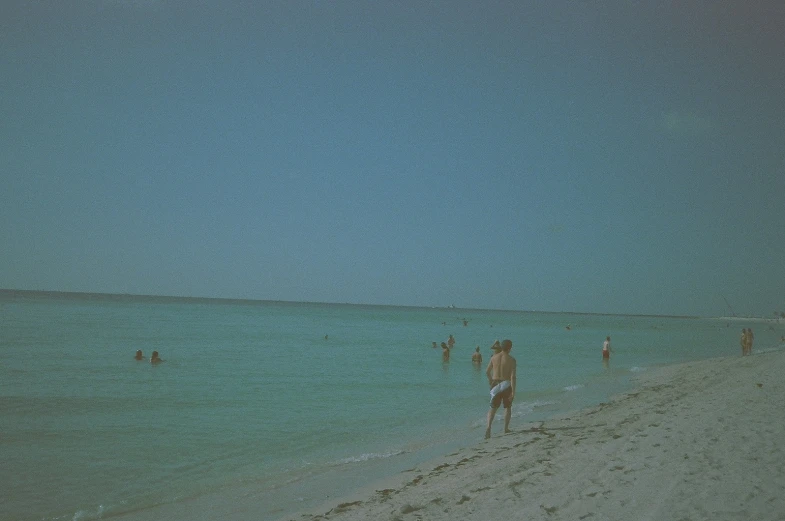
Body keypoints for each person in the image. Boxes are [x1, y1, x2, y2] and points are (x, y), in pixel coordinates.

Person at [485, 339, 516, 439]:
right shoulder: (511, 360)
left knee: (492, 408)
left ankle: (489, 428)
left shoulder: (494, 357)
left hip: (495, 384)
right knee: (507, 407)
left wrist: (490, 380)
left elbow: (487, 371)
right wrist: (513, 392)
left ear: (501, 347)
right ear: (510, 348)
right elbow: (513, 377)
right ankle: (506, 428)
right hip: (506, 384)